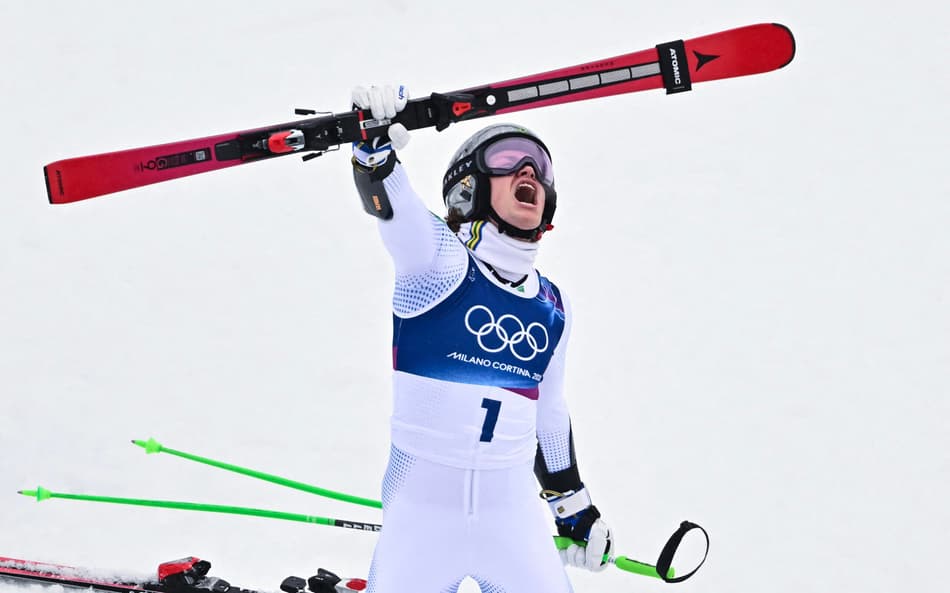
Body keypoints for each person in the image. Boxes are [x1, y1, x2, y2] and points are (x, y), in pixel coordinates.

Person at [349, 84, 613, 593]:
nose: (530, 171)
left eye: (540, 166)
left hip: (512, 520)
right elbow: (391, 206)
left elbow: (549, 413)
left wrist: (572, 505)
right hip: (422, 518)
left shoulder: (553, 306)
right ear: (467, 187)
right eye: (510, 159)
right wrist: (372, 148)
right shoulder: (437, 264)